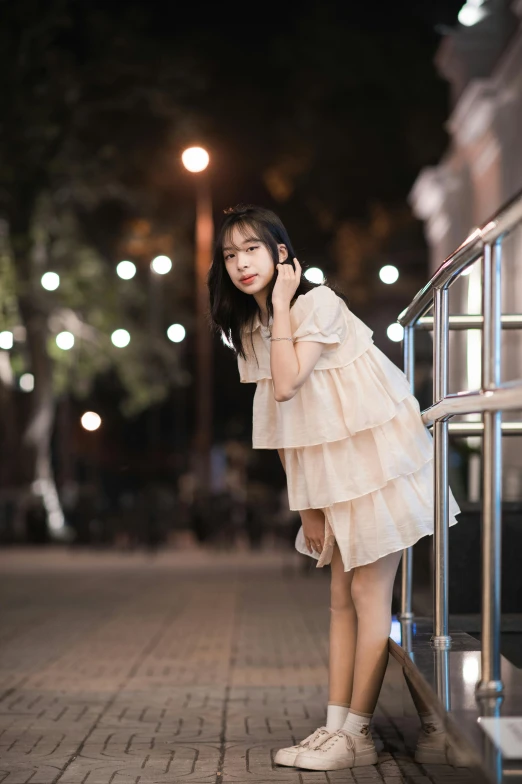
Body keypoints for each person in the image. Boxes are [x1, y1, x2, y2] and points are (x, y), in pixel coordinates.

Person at [207, 204, 462, 771]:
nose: (241, 263)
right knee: (339, 601)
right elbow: (284, 430)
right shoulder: (251, 330)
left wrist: (279, 306)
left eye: (252, 249)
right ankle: (336, 727)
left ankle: (358, 734)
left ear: (280, 253)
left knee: (370, 599)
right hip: (334, 477)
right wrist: (308, 507)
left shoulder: (317, 304)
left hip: (380, 464)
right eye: (229, 255)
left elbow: (290, 386)